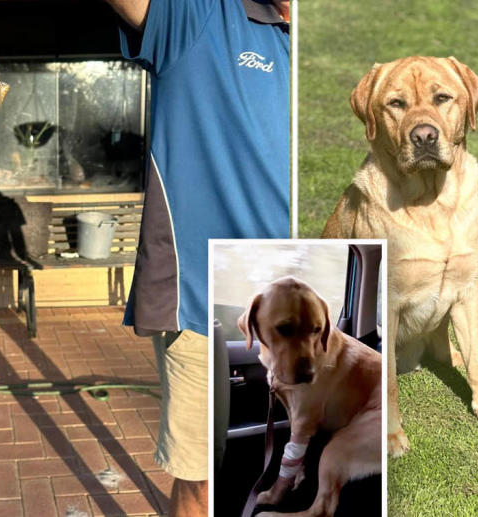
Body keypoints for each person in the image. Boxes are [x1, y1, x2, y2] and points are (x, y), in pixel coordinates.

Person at [104, 1, 291, 515]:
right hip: (206, 300)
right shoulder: (200, 14)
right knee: (206, 483)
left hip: (302, 301)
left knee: (287, 464)